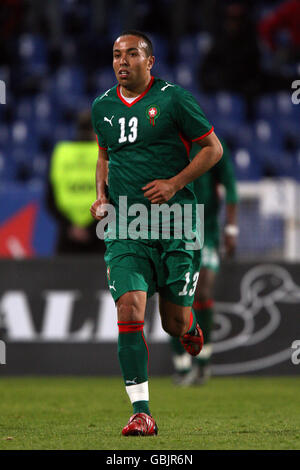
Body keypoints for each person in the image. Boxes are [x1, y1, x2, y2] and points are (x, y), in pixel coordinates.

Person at [90, 30, 223, 436]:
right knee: (129, 309)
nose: (122, 61)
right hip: (125, 225)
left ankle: (191, 327)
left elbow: (213, 149)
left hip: (176, 223)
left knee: (173, 323)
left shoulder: (173, 99)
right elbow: (104, 155)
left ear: (151, 61)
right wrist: (100, 196)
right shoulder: (102, 106)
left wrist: (175, 182)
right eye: (116, 55)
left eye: (131, 53)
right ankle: (141, 412)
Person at [170, 140, 239, 386]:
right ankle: (180, 364)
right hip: (173, 227)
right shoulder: (168, 144)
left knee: (203, 290)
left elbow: (230, 188)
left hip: (205, 230)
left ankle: (203, 361)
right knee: (173, 293)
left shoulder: (213, 147)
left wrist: (231, 228)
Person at [46, 110, 104, 255]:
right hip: (98, 235)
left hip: (67, 237)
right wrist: (91, 228)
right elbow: (113, 195)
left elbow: (50, 199)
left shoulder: (61, 153)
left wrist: (69, 226)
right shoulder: (103, 153)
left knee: (63, 278)